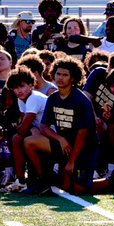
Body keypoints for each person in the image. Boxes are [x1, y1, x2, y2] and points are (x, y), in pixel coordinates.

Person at [22, 57, 96, 196]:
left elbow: (83, 133)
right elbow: (44, 126)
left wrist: (72, 161)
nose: (60, 78)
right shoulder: (53, 98)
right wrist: (60, 139)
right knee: (29, 142)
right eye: (58, 74)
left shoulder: (80, 100)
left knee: (76, 189)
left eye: (65, 75)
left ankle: (113, 181)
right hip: (63, 144)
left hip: (82, 149)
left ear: (73, 78)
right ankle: (42, 180)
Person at [0, 68, 47, 193]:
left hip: (54, 134)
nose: (18, 91)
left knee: (18, 138)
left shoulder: (34, 98)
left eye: (21, 86)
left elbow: (22, 129)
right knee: (17, 138)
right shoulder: (22, 99)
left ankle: (42, 179)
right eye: (15, 88)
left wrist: (27, 129)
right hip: (40, 133)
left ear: (31, 85)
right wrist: (32, 129)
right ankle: (20, 179)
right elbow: (24, 123)